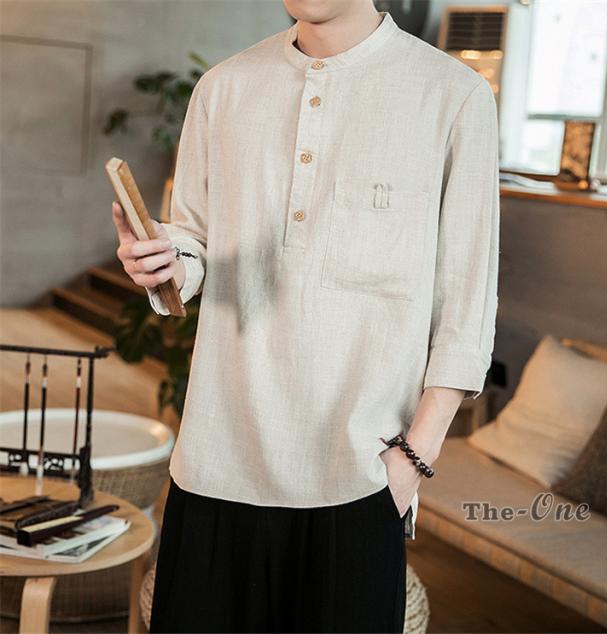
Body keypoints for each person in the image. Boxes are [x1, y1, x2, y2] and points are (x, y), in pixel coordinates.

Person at [112, 0, 500, 631]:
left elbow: (468, 298)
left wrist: (412, 460)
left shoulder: (453, 95)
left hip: (359, 476)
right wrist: (165, 263)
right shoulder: (223, 86)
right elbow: (195, 241)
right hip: (215, 462)